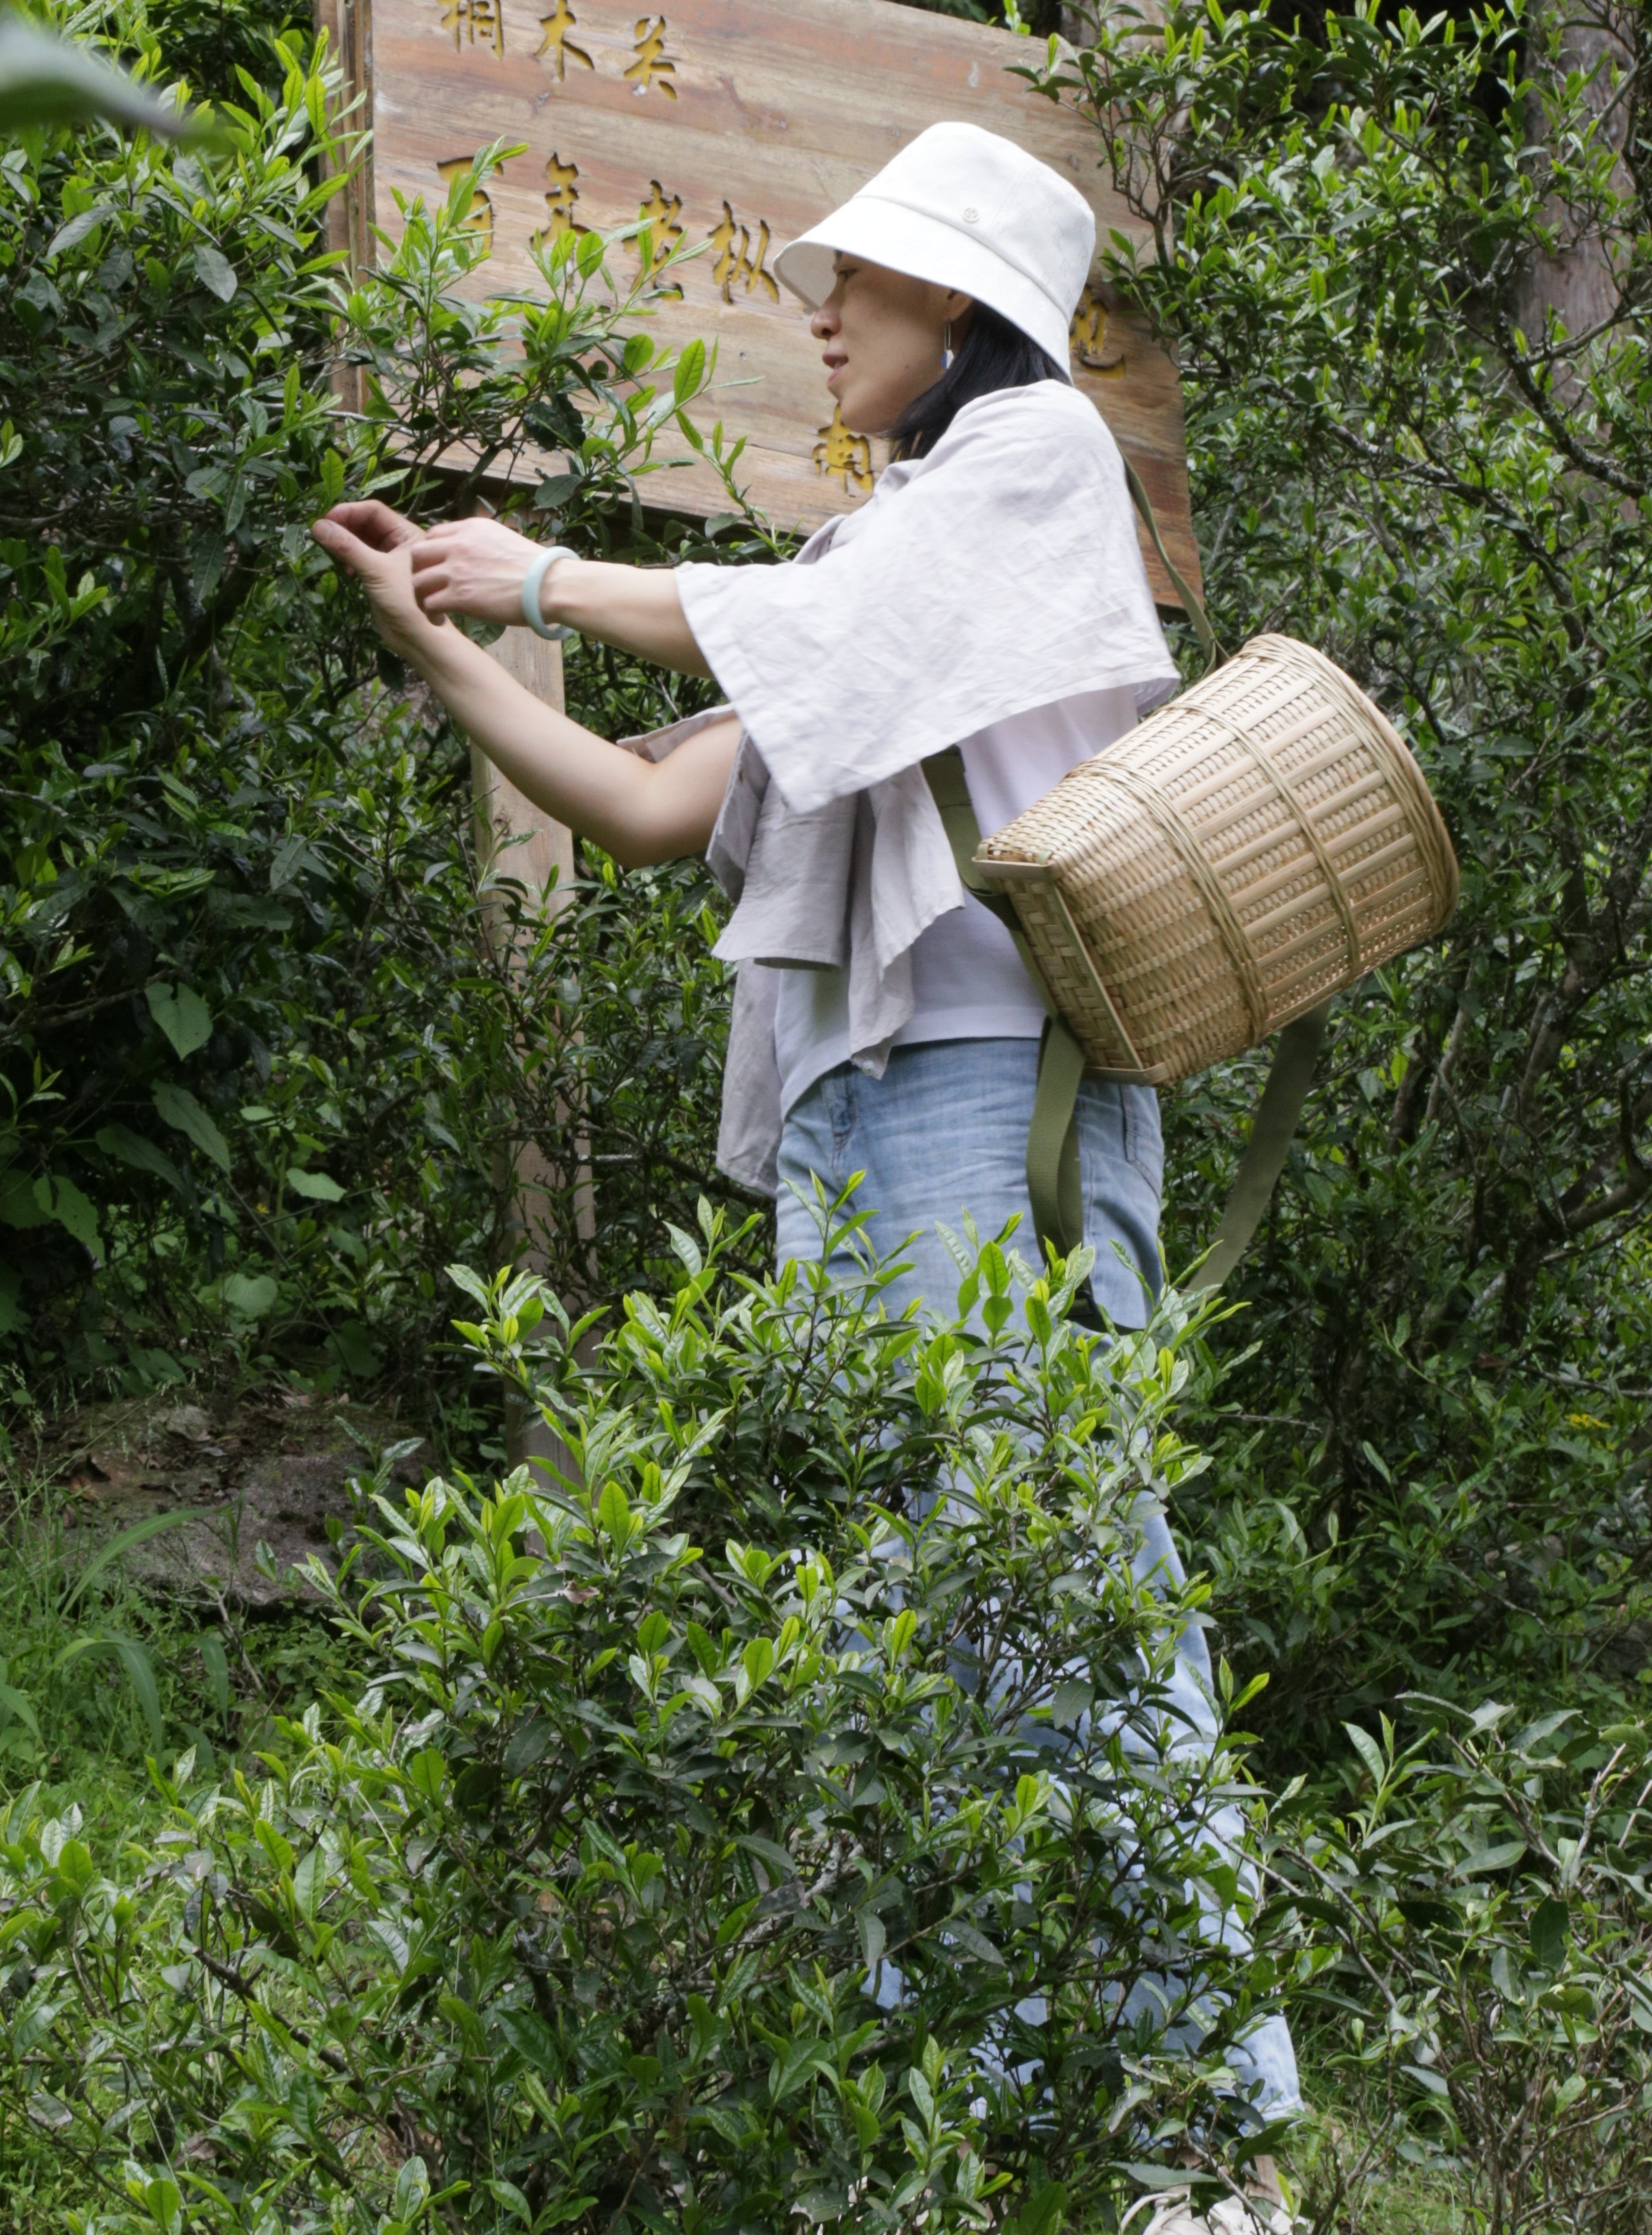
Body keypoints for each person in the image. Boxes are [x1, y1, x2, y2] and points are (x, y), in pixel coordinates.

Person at [313, 120, 1300, 2231]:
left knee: (1070, 1584)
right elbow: (655, 806)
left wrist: (551, 569)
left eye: (865, 276)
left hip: (986, 1094)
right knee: (928, 1619)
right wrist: (441, 626)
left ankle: (1207, 2146)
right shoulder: (882, 566)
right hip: (874, 1114)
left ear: (969, 311)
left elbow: (749, 656)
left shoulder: (1035, 470)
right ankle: (1007, 2123)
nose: (820, 306)